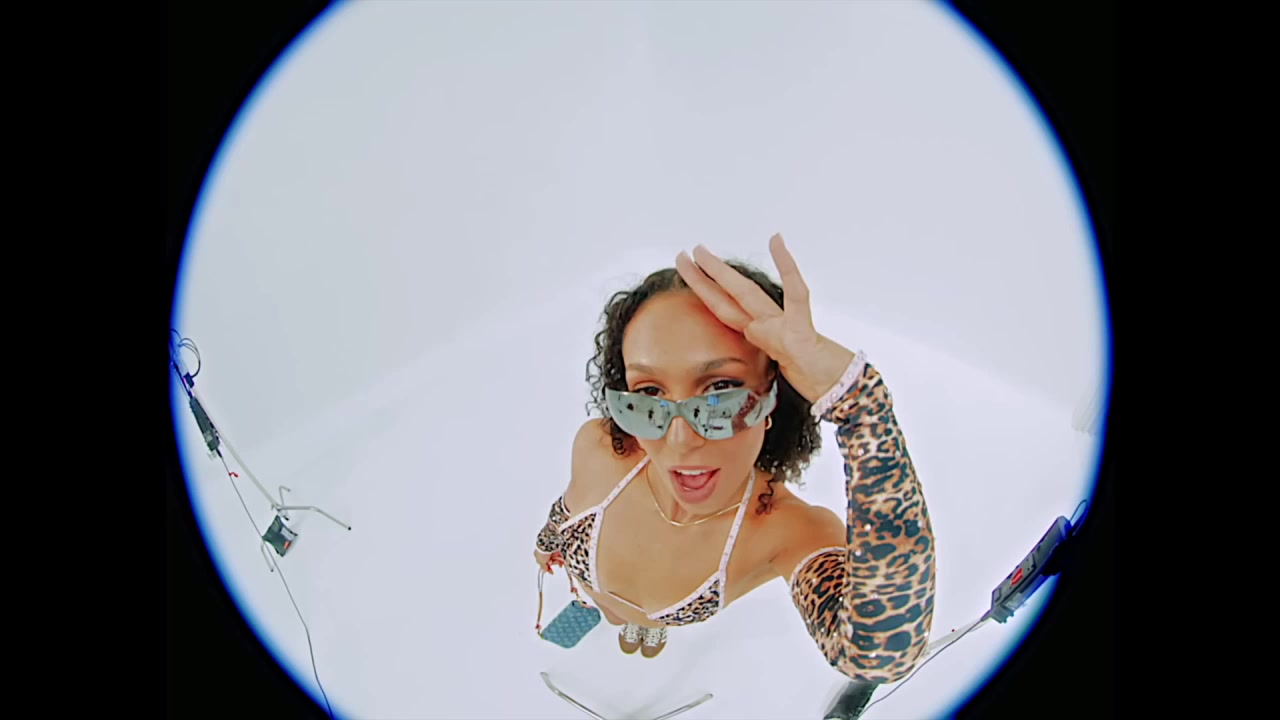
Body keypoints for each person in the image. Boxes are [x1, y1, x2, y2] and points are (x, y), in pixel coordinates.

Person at [534, 234, 936, 684]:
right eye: (649, 393)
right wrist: (547, 542)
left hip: (669, 610)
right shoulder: (600, 447)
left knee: (649, 624)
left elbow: (877, 655)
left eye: (720, 392)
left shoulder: (786, 530)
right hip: (596, 599)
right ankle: (631, 623)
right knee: (615, 615)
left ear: (774, 398)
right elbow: (568, 506)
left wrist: (859, 404)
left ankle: (652, 627)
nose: (680, 441)